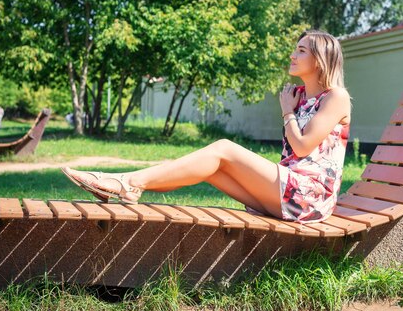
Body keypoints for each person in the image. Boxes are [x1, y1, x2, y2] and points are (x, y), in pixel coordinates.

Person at [63, 29, 351, 223]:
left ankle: (127, 182)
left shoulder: (336, 97)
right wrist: (291, 108)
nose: (292, 55)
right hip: (288, 191)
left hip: (309, 198)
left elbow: (301, 148)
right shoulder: (298, 96)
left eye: (301, 50)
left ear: (320, 59)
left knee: (223, 148)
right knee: (210, 169)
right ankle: (133, 185)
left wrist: (287, 112)